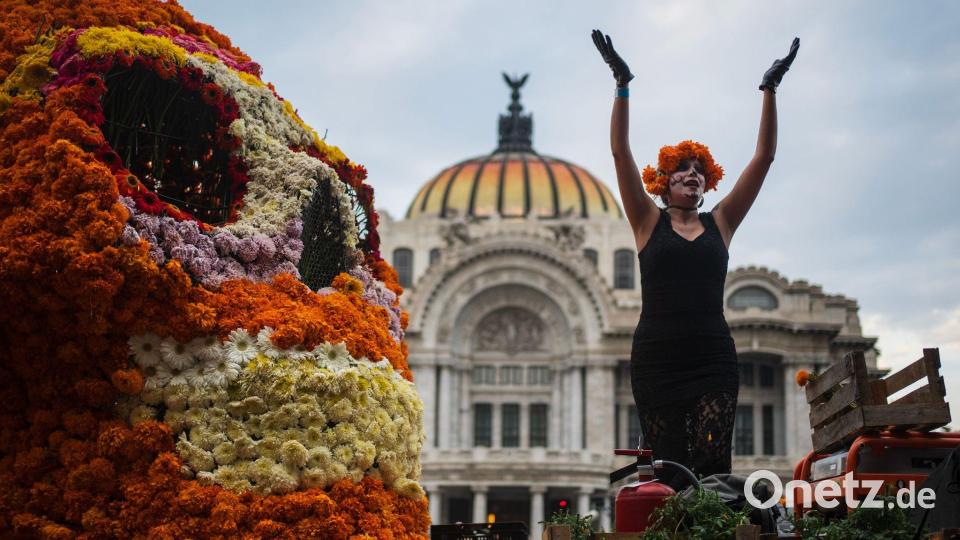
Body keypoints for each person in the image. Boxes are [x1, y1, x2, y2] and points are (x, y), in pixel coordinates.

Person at [591, 29, 799, 491]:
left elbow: (764, 158)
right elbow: (620, 152)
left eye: (700, 172)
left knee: (711, 464)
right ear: (664, 182)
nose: (692, 176)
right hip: (657, 358)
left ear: (708, 184)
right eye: (683, 170)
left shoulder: (721, 224)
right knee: (669, 471)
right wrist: (622, 85)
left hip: (712, 357)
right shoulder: (647, 222)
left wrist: (769, 89)